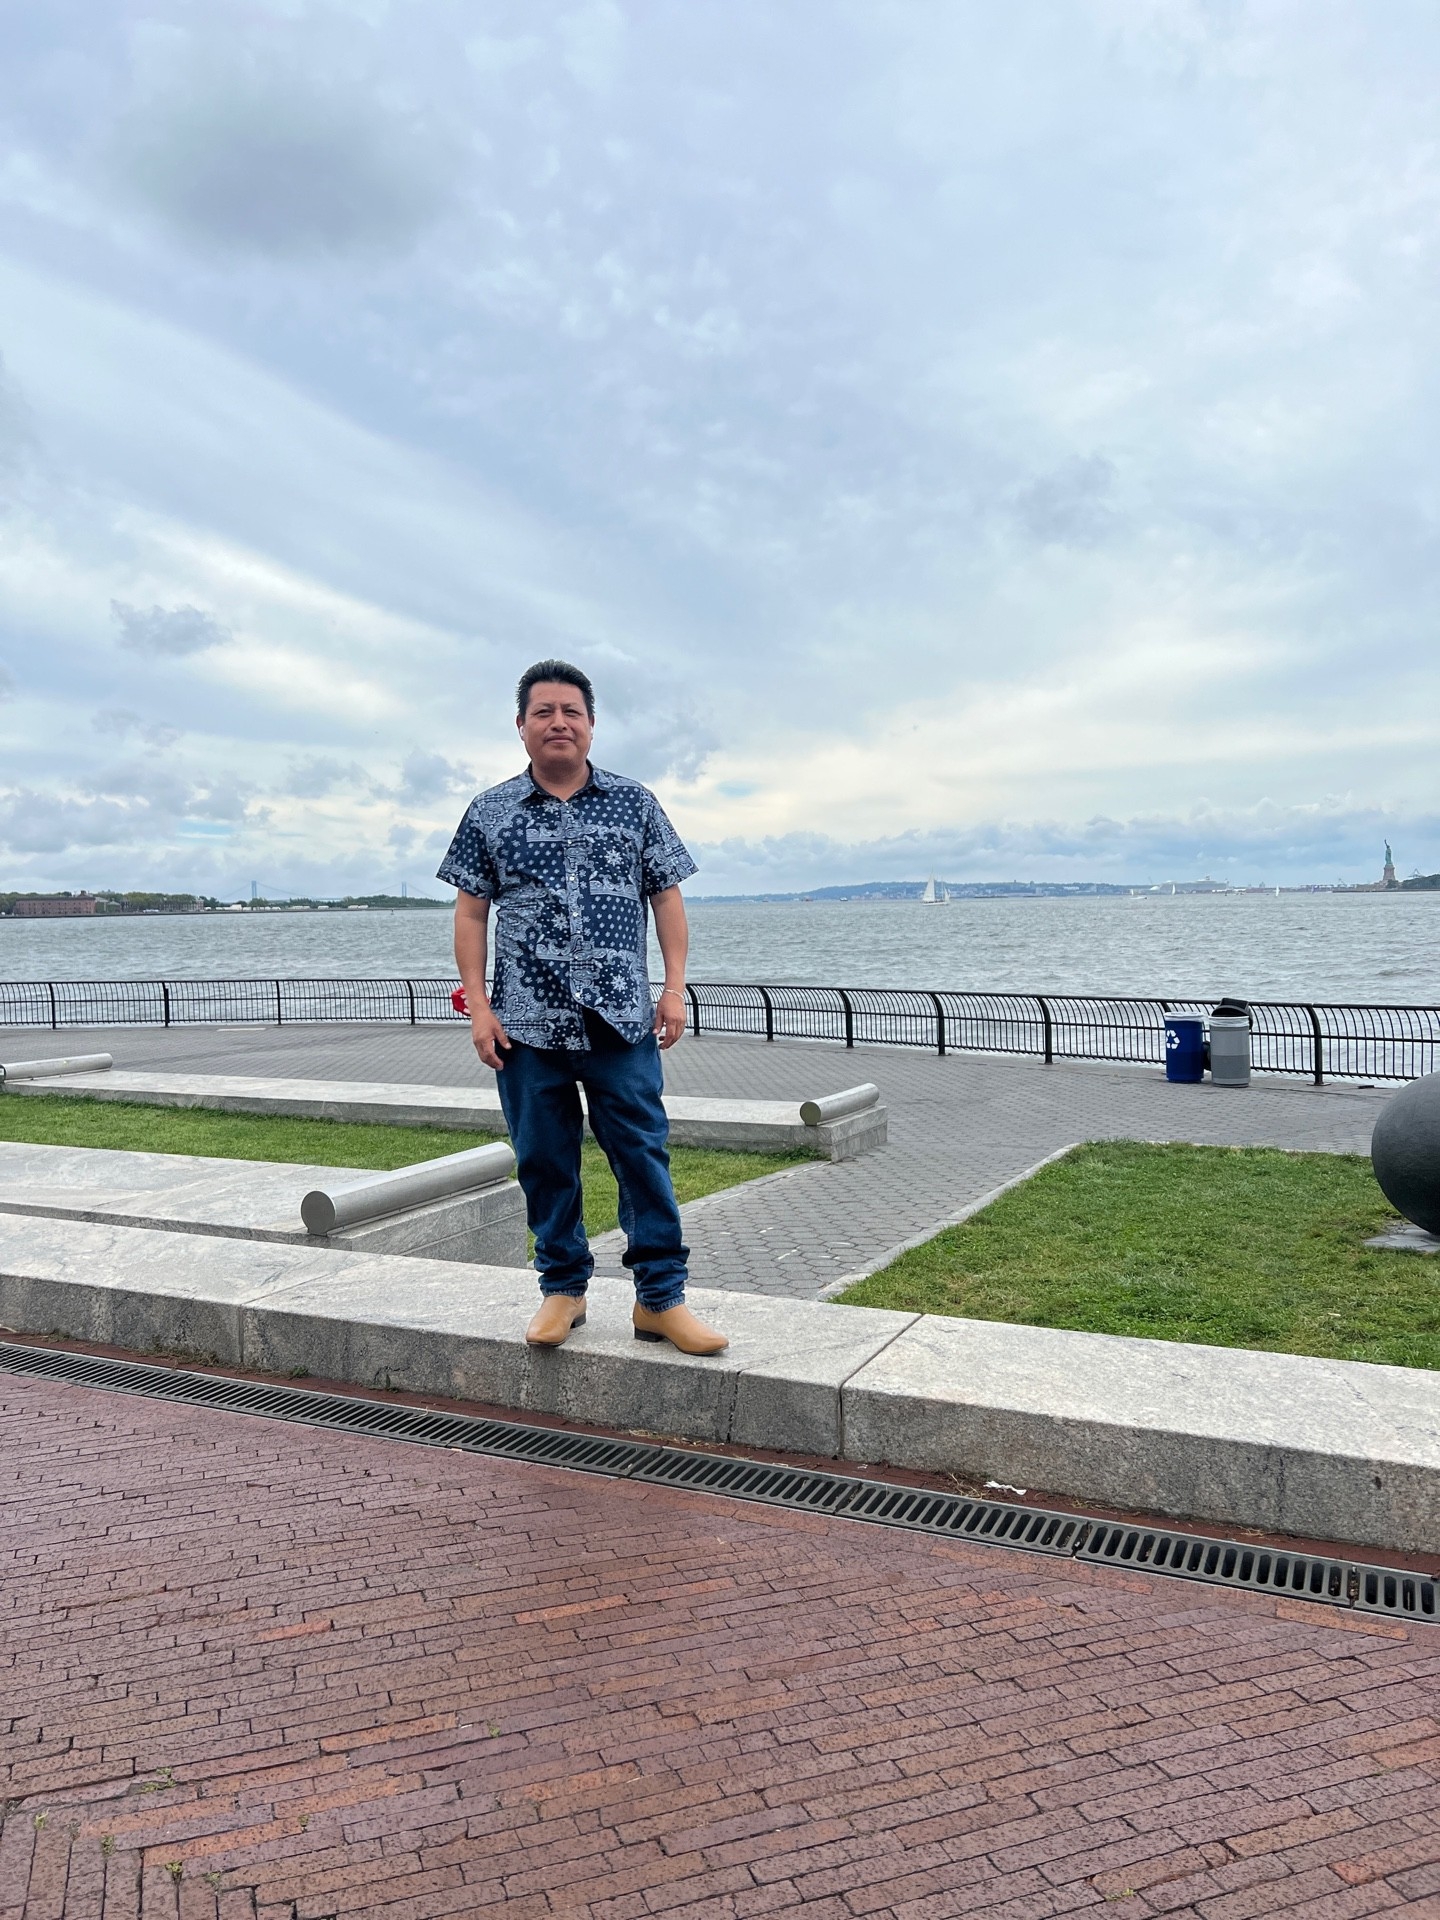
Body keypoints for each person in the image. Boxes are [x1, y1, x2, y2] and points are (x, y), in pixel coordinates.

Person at [437, 659, 728, 1356]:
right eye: (543, 712)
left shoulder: (636, 803)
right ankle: (563, 1289)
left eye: (571, 711)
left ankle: (660, 1299)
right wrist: (479, 1008)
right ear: (521, 726)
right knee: (543, 1158)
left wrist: (674, 988)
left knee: (642, 1155)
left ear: (591, 725)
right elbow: (472, 914)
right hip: (525, 1023)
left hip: (620, 1019)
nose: (558, 722)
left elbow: (666, 897)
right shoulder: (490, 811)